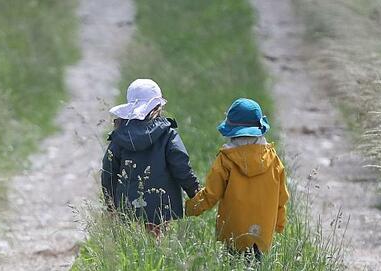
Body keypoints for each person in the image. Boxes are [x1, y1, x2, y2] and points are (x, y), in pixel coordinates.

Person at [185, 98, 289, 260]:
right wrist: (279, 223)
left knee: (233, 270)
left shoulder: (226, 159)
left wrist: (190, 208)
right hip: (263, 232)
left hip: (233, 232)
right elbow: (281, 198)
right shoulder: (273, 159)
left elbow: (211, 194)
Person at [101, 79, 199, 235]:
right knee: (157, 240)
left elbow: (108, 171)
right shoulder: (168, 134)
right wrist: (195, 192)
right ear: (158, 107)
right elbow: (181, 166)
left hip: (128, 204)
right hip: (161, 203)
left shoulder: (120, 136)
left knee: (132, 243)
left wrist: (111, 204)